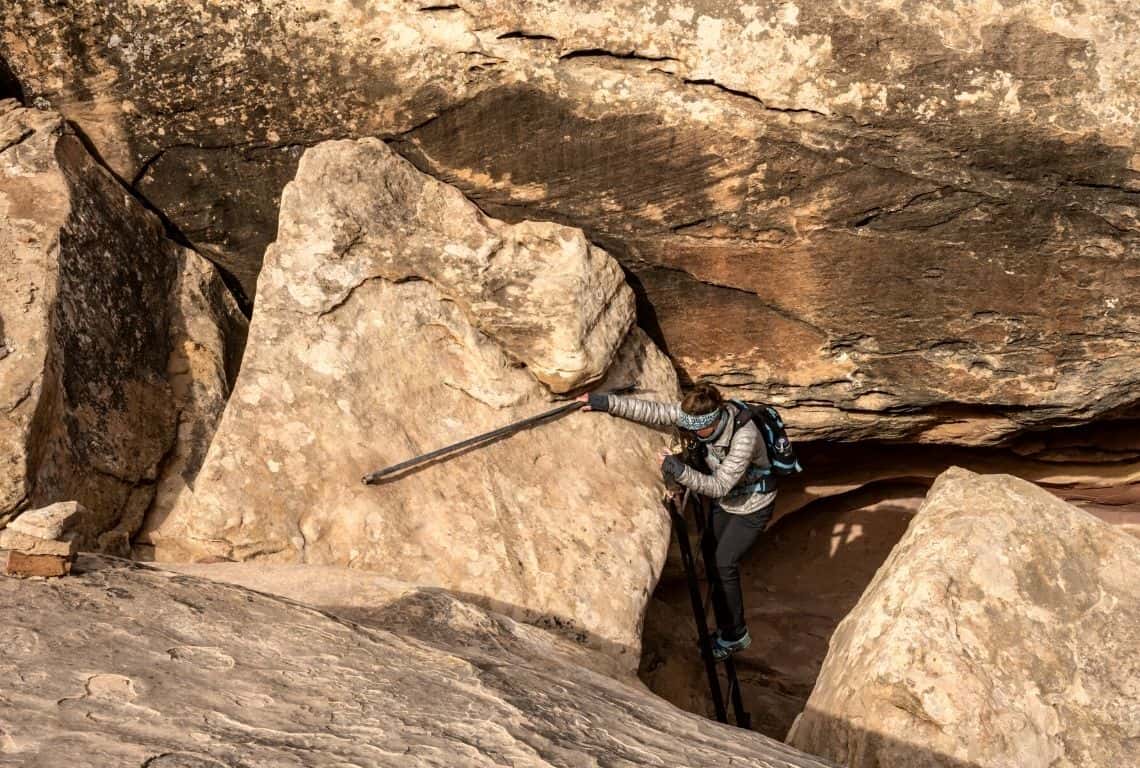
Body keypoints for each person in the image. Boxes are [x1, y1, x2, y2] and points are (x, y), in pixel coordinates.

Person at [578, 382, 774, 661]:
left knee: (723, 563)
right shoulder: (699, 418)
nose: (692, 431)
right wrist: (605, 403)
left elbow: (719, 485)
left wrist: (679, 471)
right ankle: (724, 624)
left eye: (698, 429)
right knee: (711, 559)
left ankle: (735, 636)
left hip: (754, 504)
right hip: (728, 503)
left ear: (715, 420)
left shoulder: (745, 437)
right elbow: (655, 411)